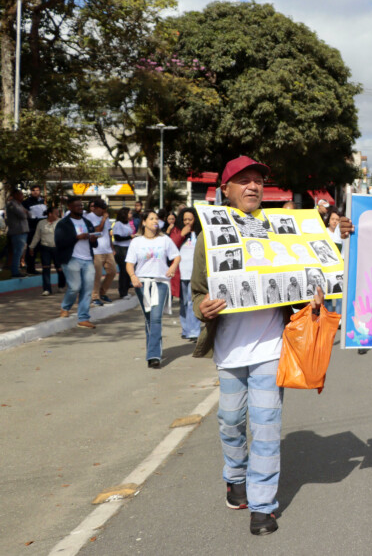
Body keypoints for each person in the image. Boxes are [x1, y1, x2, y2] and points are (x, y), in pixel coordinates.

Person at [191, 156, 354, 536]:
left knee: (266, 427)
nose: (253, 186)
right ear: (225, 190)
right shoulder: (208, 236)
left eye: (258, 181)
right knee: (230, 421)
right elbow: (198, 291)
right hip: (229, 351)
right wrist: (202, 307)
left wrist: (313, 299)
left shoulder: (281, 230)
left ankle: (262, 506)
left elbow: (306, 279)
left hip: (271, 349)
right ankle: (235, 477)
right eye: (243, 180)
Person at [126, 210, 180, 369]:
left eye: (156, 218)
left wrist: (172, 267)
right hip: (142, 284)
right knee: (149, 318)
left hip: (160, 282)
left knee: (156, 318)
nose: (155, 221)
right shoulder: (136, 242)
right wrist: (133, 276)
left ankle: (153, 355)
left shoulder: (165, 240)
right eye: (151, 219)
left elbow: (176, 256)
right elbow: (129, 263)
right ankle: (153, 349)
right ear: (144, 222)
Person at [54, 197, 98, 329]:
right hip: (71, 258)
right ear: (70, 207)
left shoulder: (87, 222)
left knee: (87, 289)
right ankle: (65, 307)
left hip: (88, 259)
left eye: (81, 206)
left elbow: (94, 244)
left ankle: (83, 318)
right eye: (77, 206)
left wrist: (93, 239)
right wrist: (76, 237)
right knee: (75, 287)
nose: (80, 208)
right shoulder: (63, 223)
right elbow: (59, 243)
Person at [170, 208, 202, 342]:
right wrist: (182, 234)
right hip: (181, 273)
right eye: (185, 220)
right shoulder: (177, 231)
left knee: (192, 301)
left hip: (196, 273)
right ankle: (186, 329)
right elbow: (171, 246)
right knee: (183, 302)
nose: (187, 222)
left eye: (190, 219)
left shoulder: (200, 232)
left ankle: (194, 331)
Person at [29, 206, 63, 295]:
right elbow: (37, 236)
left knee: (60, 268)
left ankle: (61, 286)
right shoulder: (41, 223)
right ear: (50, 214)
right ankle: (47, 289)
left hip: (57, 248)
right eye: (56, 213)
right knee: (46, 268)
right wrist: (31, 247)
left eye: (58, 213)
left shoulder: (61, 222)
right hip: (45, 247)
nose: (57, 215)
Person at [88, 199, 117, 305]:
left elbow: (108, 233)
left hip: (107, 250)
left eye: (105, 208)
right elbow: (97, 230)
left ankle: (102, 292)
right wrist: (104, 219)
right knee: (97, 275)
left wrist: (112, 247)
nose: (104, 211)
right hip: (96, 250)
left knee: (112, 272)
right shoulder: (89, 217)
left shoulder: (106, 217)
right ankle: (95, 297)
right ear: (95, 208)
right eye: (102, 208)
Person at [5, 189, 29, 277]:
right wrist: (25, 212)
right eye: (21, 194)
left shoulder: (19, 204)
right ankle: (15, 271)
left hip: (22, 231)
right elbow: (23, 215)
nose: (22, 196)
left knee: (19, 252)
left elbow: (29, 214)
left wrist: (25, 212)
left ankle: (15, 270)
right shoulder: (12, 204)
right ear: (15, 195)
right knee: (17, 252)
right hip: (17, 231)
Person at [23, 185, 46, 274]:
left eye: (37, 190)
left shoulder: (42, 201)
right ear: (30, 191)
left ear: (40, 191)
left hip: (43, 228)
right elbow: (25, 215)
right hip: (32, 229)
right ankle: (30, 268)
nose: (35, 192)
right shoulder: (26, 202)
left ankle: (45, 267)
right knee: (32, 249)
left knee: (43, 249)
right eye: (33, 190)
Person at [112, 207, 135, 298]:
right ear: (124, 214)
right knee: (124, 270)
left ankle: (126, 289)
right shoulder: (118, 224)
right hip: (120, 249)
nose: (131, 215)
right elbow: (117, 237)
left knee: (128, 269)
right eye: (130, 213)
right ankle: (122, 292)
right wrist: (130, 237)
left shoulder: (127, 223)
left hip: (127, 248)